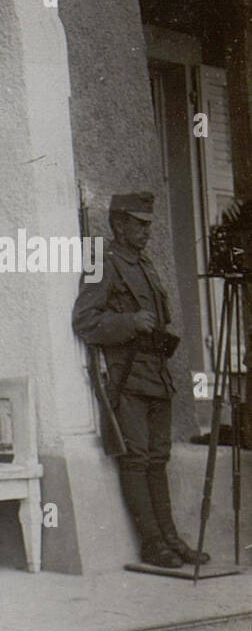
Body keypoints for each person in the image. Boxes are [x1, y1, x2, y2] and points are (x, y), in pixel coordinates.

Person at [72, 191, 209, 568]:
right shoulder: (101, 260)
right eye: (139, 223)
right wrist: (128, 322)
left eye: (148, 223)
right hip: (127, 376)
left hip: (156, 374)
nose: (147, 230)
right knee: (136, 459)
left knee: (158, 459)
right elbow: (84, 320)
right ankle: (152, 543)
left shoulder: (145, 264)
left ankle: (171, 539)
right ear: (118, 224)